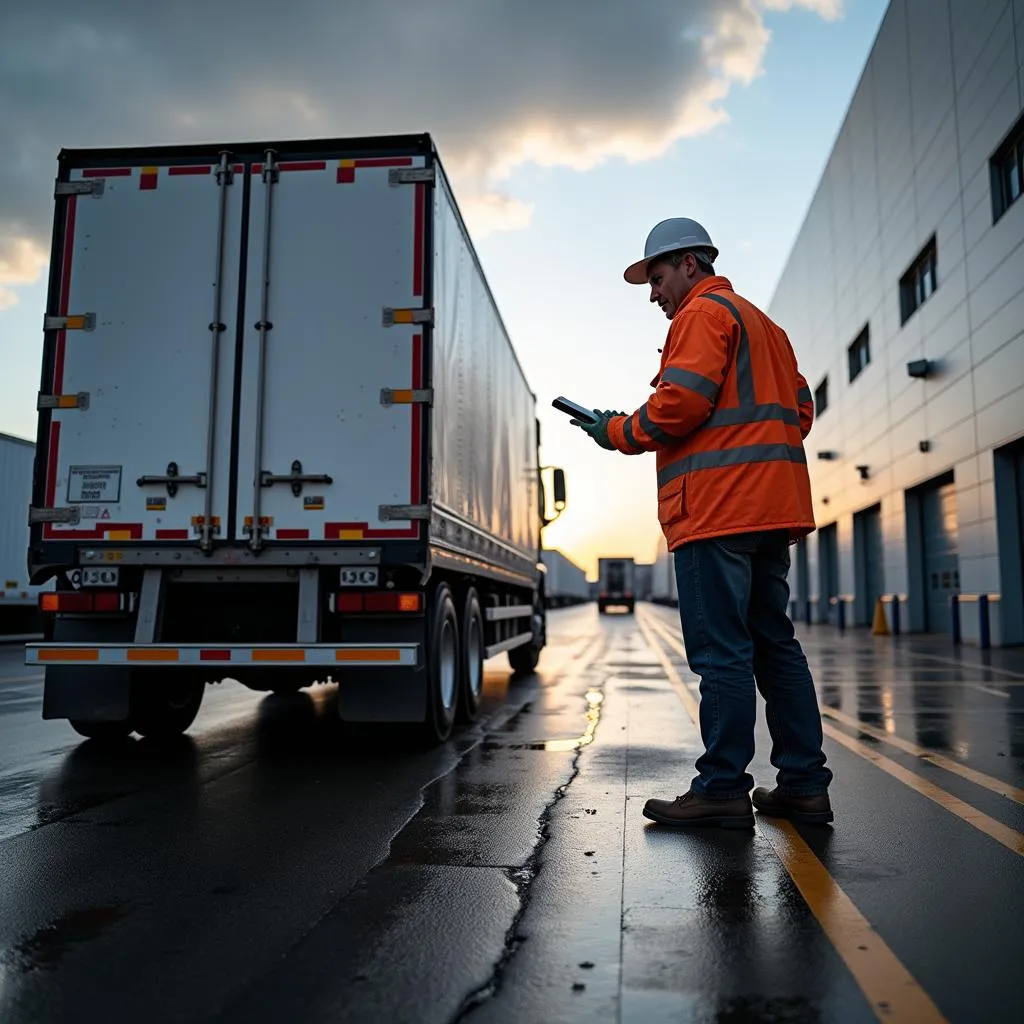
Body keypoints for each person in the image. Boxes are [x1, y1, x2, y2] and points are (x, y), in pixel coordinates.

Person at [572, 217, 833, 828]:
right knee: (775, 646)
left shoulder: (701, 315)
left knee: (722, 655)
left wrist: (615, 431)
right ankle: (802, 783)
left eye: (657, 277)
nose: (654, 293)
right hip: (770, 513)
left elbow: (680, 404)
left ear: (690, 263)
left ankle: (720, 789)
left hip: (716, 513)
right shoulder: (764, 326)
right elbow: (801, 407)